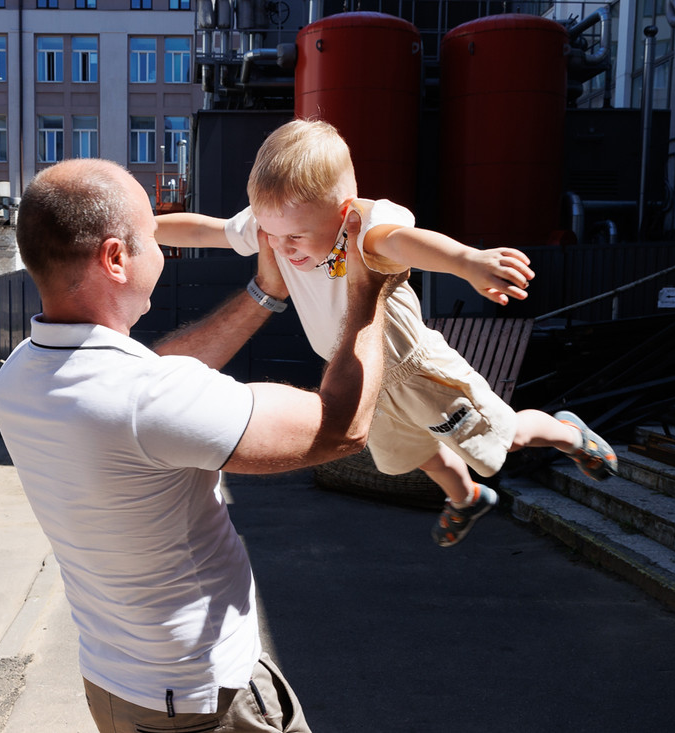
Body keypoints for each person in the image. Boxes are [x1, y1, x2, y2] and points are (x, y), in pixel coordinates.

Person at [0, 158, 404, 732]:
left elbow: (152, 385)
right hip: (203, 698)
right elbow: (340, 427)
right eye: (154, 239)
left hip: (117, 683)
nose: (164, 252)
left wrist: (264, 292)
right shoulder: (145, 401)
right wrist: (369, 289)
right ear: (115, 258)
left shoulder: (20, 376)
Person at [156, 118, 618, 548]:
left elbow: (404, 243)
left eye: (295, 236)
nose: (280, 247)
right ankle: (466, 498)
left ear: (341, 213)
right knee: (411, 453)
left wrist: (466, 261)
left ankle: (564, 433)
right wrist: (144, 228)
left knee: (503, 436)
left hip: (418, 369)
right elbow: (207, 230)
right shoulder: (273, 225)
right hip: (363, 375)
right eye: (271, 233)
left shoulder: (363, 228)